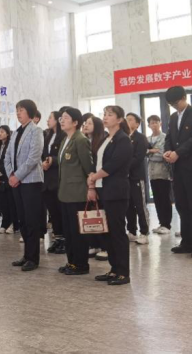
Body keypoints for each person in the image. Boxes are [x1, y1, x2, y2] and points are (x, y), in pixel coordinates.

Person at [87, 106, 132, 285]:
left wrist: (94, 177)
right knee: (107, 232)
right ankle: (114, 269)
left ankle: (123, 272)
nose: (105, 117)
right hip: (102, 189)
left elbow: (114, 164)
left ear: (119, 119)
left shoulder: (123, 139)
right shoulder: (106, 139)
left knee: (117, 232)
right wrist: (93, 183)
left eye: (110, 115)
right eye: (104, 114)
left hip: (116, 191)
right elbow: (98, 163)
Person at [164, 86, 192, 257]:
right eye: (171, 104)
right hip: (177, 168)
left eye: (176, 103)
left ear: (184, 98)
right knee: (181, 205)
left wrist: (178, 153)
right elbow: (169, 137)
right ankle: (187, 242)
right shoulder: (173, 117)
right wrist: (168, 151)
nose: (174, 106)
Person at [6, 99, 45, 272]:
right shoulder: (16, 132)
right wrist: (10, 175)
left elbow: (34, 158)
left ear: (30, 112)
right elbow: (7, 156)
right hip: (17, 181)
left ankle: (33, 258)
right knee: (21, 219)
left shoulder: (36, 131)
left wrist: (18, 176)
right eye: (17, 110)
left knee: (31, 220)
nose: (18, 113)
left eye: (21, 110)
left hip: (31, 181)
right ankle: (26, 255)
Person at [57, 107, 94, 276]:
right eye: (61, 118)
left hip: (77, 192)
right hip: (65, 192)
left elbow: (88, 167)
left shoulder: (80, 139)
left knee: (78, 231)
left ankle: (81, 264)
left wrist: (91, 188)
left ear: (75, 122)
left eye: (66, 117)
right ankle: (71, 261)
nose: (62, 120)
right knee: (69, 231)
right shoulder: (66, 139)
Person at [82, 114, 108, 260]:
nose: (86, 125)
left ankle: (105, 246)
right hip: (88, 182)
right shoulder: (85, 141)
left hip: (99, 182)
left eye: (89, 123)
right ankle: (94, 243)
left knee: (101, 213)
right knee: (91, 212)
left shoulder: (102, 141)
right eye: (85, 123)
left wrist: (92, 180)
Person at [126, 113, 150, 245]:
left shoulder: (140, 138)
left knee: (140, 205)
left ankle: (144, 232)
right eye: (126, 119)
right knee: (128, 205)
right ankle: (132, 231)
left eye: (130, 120)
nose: (127, 122)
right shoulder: (124, 137)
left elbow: (139, 157)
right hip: (125, 178)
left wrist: (124, 166)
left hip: (136, 176)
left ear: (137, 124)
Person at [43, 110, 65, 254]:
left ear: (57, 120)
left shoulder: (63, 136)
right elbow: (43, 153)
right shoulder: (48, 135)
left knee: (61, 211)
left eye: (50, 118)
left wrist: (53, 160)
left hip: (58, 178)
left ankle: (64, 240)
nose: (48, 120)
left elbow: (64, 156)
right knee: (53, 212)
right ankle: (57, 238)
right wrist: (44, 162)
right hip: (47, 179)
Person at [146, 115, 172, 235]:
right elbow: (142, 152)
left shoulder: (165, 137)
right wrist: (152, 151)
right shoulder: (147, 139)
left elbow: (163, 155)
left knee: (165, 199)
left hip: (163, 173)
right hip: (152, 173)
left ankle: (167, 224)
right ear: (149, 125)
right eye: (152, 123)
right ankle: (161, 223)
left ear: (160, 123)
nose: (154, 125)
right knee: (157, 199)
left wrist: (149, 153)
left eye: (156, 122)